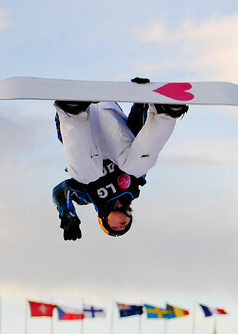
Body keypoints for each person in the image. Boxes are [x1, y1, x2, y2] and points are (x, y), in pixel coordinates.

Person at [52, 77, 187, 240]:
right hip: (108, 120)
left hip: (84, 130)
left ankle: (72, 111)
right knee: (136, 167)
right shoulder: (134, 185)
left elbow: (61, 190)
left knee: (86, 175)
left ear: (103, 219)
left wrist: (67, 214)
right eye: (125, 227)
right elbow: (139, 138)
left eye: (114, 227)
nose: (121, 226)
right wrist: (141, 100)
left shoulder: (87, 195)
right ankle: (165, 113)